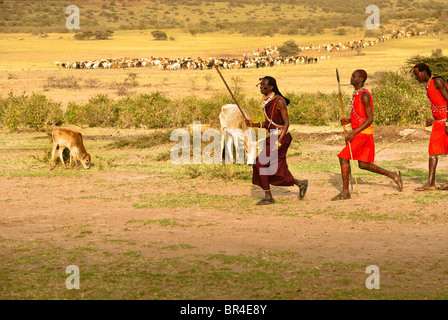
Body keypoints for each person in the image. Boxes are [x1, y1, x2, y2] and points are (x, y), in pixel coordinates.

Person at [332, 70, 403, 201]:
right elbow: (361, 116)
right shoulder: (356, 94)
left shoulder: (364, 95)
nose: (351, 78)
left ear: (361, 79)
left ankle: (345, 192)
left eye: (354, 76)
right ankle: (393, 175)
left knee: (343, 157)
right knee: (364, 164)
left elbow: (370, 119)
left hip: (362, 134)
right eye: (352, 75)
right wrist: (349, 120)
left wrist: (353, 132)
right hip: (362, 132)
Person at [245, 76, 308, 205]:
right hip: (273, 137)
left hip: (280, 138)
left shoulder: (279, 101)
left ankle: (268, 197)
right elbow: (269, 124)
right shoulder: (268, 101)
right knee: (275, 167)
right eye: (260, 85)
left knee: (260, 163)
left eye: (264, 85)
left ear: (271, 87)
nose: (262, 87)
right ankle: (300, 183)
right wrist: (253, 124)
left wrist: (278, 141)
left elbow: (286, 124)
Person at [412, 63, 448, 191]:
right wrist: (433, 117)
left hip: (446, 122)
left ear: (423, 72)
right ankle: (430, 183)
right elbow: (439, 104)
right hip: (439, 122)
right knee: (433, 152)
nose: (416, 78)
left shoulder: (437, 81)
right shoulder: (428, 86)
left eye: (417, 75)